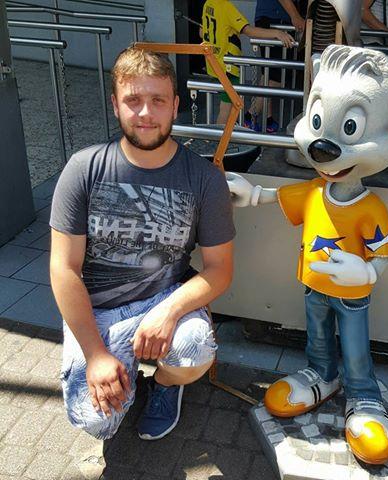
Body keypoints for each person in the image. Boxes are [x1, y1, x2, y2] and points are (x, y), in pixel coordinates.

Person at [49, 46, 235, 441]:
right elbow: (63, 269)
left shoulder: (204, 179)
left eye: (158, 100)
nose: (146, 113)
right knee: (95, 421)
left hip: (163, 296)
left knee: (194, 349)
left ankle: (165, 384)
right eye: (133, 100)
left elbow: (220, 269)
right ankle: (124, 368)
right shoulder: (83, 169)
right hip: (99, 309)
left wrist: (169, 312)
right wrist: (96, 355)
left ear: (175, 106)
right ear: (115, 105)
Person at [200, 0, 295, 125]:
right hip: (228, 67)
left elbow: (201, 32)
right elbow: (248, 31)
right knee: (226, 109)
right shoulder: (227, 7)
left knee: (227, 106)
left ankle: (226, 134)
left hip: (213, 62)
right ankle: (221, 137)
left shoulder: (208, 4)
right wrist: (277, 33)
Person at [244, 0, 306, 133]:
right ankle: (250, 116)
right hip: (275, 19)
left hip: (270, 17)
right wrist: (295, 16)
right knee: (277, 78)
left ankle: (268, 119)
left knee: (268, 73)